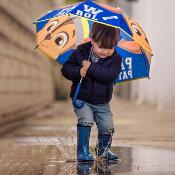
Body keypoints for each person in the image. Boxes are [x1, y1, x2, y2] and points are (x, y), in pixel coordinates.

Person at [61, 22, 122, 162]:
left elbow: (109, 76)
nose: (106, 51)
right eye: (101, 47)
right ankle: (82, 151)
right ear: (92, 40)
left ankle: (103, 151)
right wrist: (78, 72)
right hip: (82, 98)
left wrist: (91, 67)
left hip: (102, 102)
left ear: (116, 44)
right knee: (86, 120)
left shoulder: (116, 59)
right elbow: (66, 69)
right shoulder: (80, 52)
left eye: (110, 47)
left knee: (107, 126)